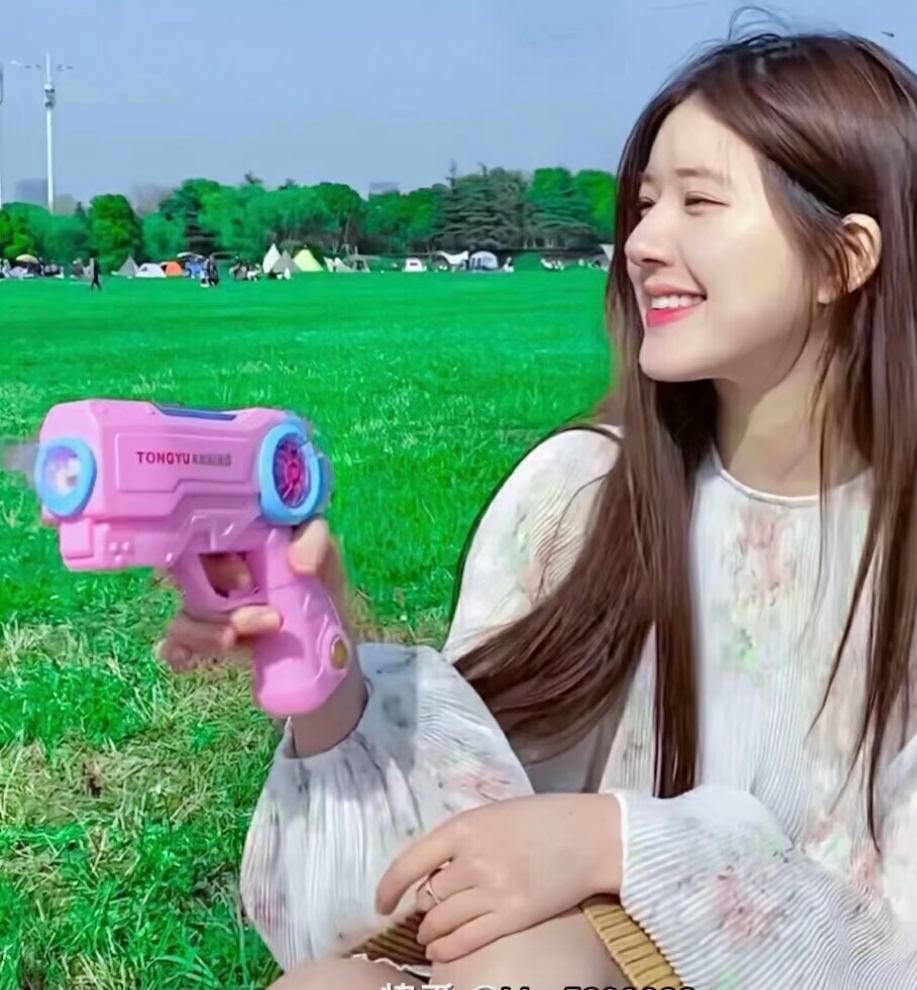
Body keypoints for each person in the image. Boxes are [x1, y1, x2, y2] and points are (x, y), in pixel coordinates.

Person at [157, 28, 917, 990]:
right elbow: (448, 863)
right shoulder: (578, 494)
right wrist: (324, 678)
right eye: (644, 204)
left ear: (842, 258)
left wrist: (617, 844)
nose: (641, 244)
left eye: (697, 202)